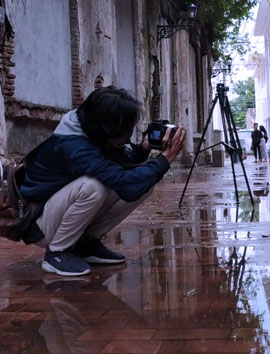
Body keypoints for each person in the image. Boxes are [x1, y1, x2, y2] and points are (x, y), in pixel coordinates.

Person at [19, 87, 186, 276]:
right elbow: (125, 183)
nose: (126, 138)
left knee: (144, 182)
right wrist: (165, 160)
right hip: (39, 223)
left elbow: (122, 169)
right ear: (107, 128)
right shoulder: (74, 146)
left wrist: (143, 148)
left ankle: (85, 244)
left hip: (55, 212)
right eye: (124, 131)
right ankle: (57, 252)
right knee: (93, 187)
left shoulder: (90, 129)